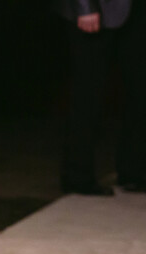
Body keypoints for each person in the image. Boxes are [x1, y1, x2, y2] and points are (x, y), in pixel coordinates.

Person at [53, 0, 146, 195]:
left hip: (136, 10)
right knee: (88, 91)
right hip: (97, 8)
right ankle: (78, 176)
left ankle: (133, 172)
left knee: (139, 89)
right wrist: (85, 7)